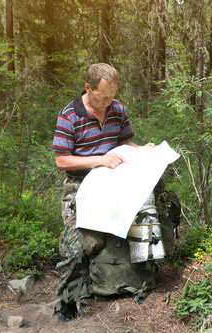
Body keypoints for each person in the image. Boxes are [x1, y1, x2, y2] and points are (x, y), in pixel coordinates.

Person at [52, 63, 154, 321]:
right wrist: (98, 160)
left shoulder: (116, 109)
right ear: (88, 88)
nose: (108, 102)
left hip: (112, 181)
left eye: (112, 96)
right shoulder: (69, 116)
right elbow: (62, 160)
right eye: (102, 97)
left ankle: (142, 282)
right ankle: (65, 303)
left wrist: (143, 150)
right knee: (75, 246)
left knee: (144, 218)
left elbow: (125, 142)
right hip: (79, 185)